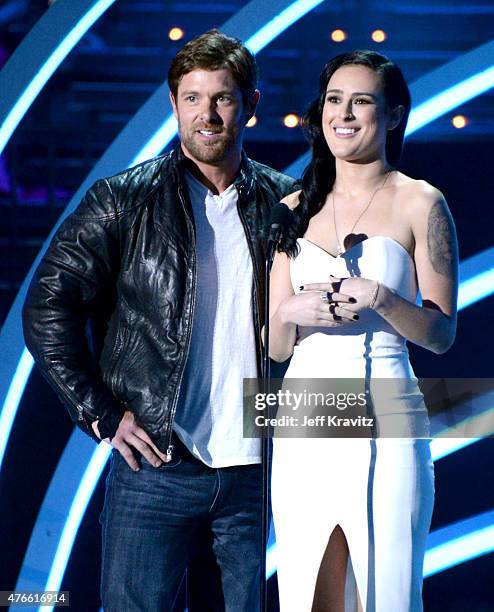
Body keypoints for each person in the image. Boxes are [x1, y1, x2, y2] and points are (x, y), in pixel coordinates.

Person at [22, 29, 295, 611]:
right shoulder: (123, 199)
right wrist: (100, 414)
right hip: (156, 468)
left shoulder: (287, 204)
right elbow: (48, 305)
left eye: (222, 97)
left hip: (252, 470)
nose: (208, 114)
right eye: (192, 98)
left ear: (251, 105)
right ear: (173, 105)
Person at [268, 50, 458, 611]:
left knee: (387, 590)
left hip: (388, 411)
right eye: (333, 100)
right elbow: (276, 345)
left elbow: (442, 333)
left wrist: (381, 298)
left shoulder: (421, 202)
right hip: (305, 413)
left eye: (361, 101)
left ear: (393, 115)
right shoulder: (291, 208)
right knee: (309, 594)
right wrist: (289, 314)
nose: (343, 114)